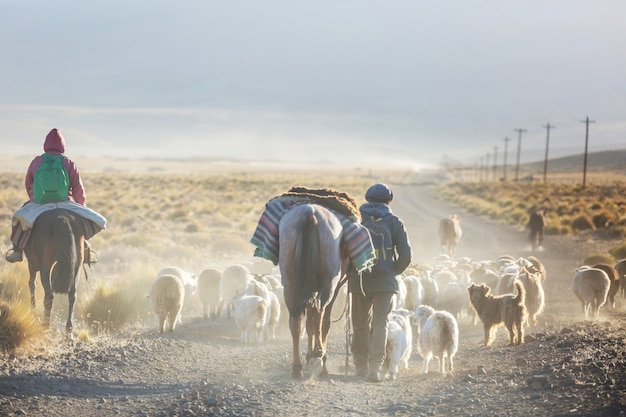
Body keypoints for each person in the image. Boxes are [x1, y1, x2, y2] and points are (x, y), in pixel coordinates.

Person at [348, 183, 412, 382]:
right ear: (389, 200)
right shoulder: (395, 222)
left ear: (367, 199)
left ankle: (360, 366)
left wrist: (352, 271)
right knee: (381, 324)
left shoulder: (356, 220)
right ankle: (375, 368)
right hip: (385, 283)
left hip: (359, 280)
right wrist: (392, 272)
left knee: (359, 324)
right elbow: (406, 256)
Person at [5, 128, 89, 263]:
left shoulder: (36, 162)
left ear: (45, 144)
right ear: (63, 145)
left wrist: (34, 199)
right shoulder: (68, 163)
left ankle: (17, 251)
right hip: (65, 201)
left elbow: (28, 183)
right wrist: (81, 207)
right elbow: (78, 188)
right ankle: (85, 249)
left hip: (39, 201)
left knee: (17, 219)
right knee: (82, 223)